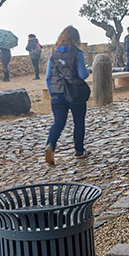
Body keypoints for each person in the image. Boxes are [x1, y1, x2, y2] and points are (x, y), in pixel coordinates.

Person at [44, 25, 91, 164]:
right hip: (75, 92)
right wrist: (88, 71)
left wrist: (52, 91)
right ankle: (79, 150)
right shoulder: (77, 53)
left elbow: (48, 76)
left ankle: (50, 146)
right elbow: (82, 74)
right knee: (78, 121)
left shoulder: (53, 54)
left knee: (58, 122)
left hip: (57, 93)